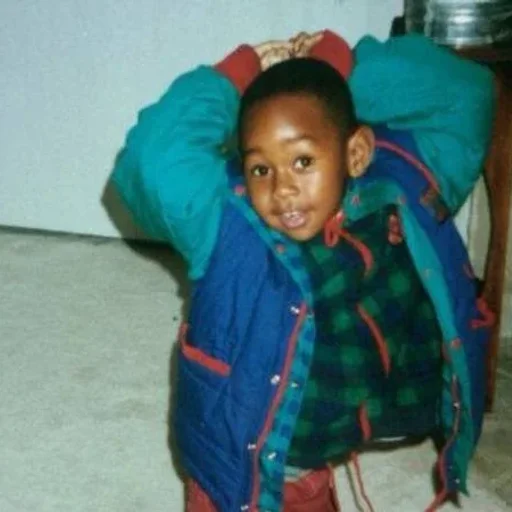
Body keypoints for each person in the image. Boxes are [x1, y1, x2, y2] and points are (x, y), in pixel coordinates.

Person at [110, 29, 495, 512]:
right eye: (260, 168)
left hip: (316, 455)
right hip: (235, 472)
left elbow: (467, 94)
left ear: (356, 153)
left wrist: (341, 70)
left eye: (303, 160)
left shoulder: (403, 184)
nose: (282, 188)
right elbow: (154, 157)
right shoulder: (226, 222)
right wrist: (237, 72)